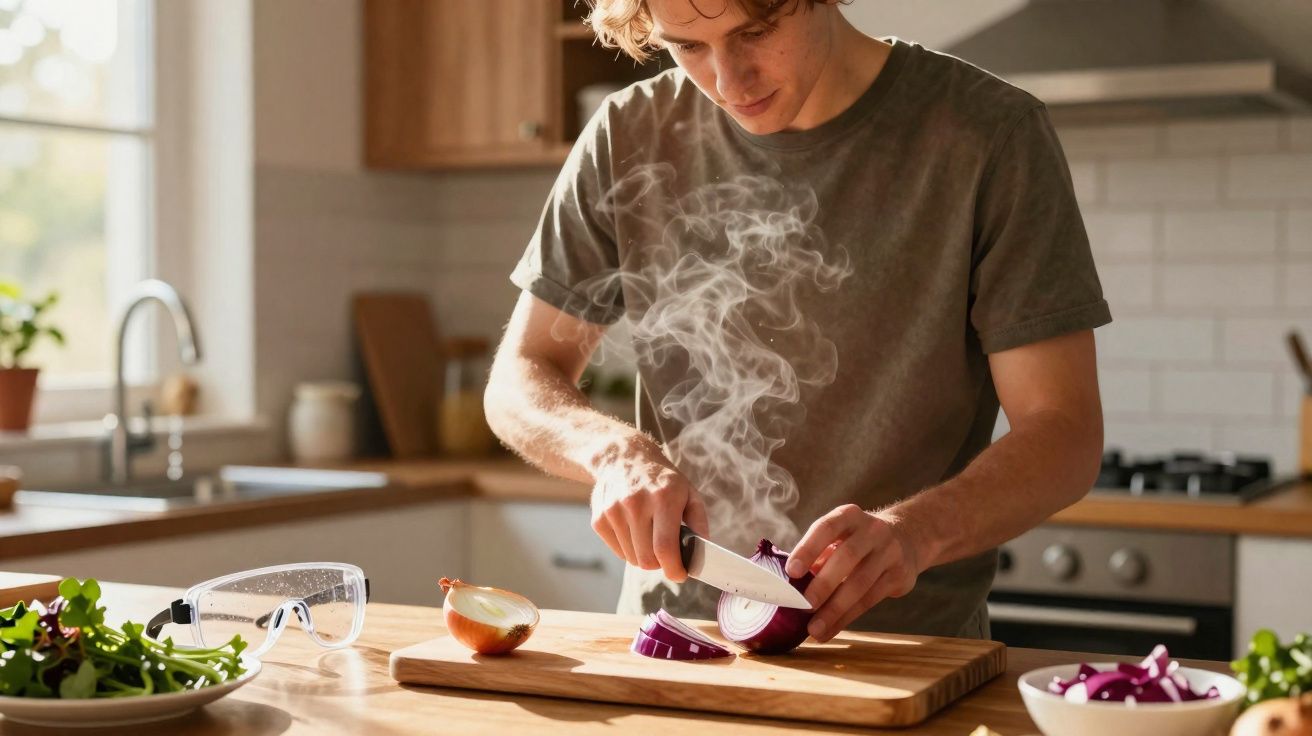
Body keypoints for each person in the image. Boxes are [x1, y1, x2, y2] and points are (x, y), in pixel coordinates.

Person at [484, 0, 1109, 642]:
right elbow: (522, 373)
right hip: (675, 644)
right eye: (688, 46)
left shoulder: (990, 135)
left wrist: (913, 533)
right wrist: (613, 453)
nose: (730, 82)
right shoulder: (628, 132)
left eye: (754, 33)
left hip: (908, 653)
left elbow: (1064, 430)